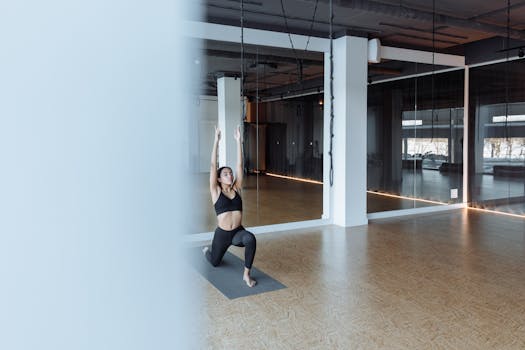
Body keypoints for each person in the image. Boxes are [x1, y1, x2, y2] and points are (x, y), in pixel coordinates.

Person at [203, 125, 257, 287]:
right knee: (214, 262)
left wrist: (238, 141)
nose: (230, 175)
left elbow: (240, 167)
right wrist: (216, 141)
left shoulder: (236, 188)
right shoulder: (216, 191)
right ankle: (208, 252)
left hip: (237, 233)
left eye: (230, 173)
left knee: (250, 238)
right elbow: (213, 166)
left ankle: (246, 274)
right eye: (225, 174)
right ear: (219, 179)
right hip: (222, 234)